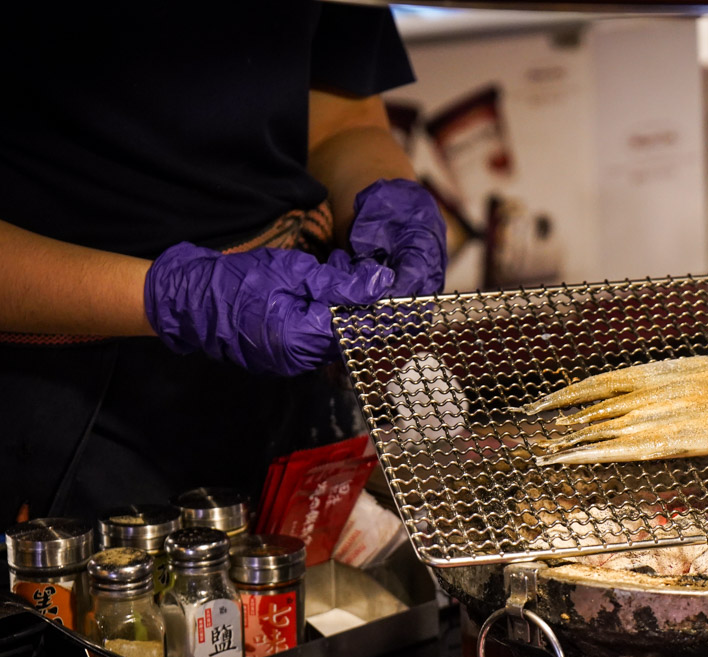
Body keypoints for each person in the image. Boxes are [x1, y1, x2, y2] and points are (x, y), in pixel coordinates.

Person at [0, 3, 448, 522]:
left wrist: (387, 203)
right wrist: (176, 297)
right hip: (59, 393)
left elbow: (340, 119)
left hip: (278, 357)